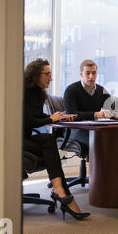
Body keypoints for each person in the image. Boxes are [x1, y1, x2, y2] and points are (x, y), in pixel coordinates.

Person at [24, 58, 90, 221]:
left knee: (49, 140)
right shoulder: (22, 92)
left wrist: (58, 117)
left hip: (26, 139)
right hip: (14, 141)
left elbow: (37, 116)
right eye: (47, 74)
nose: (51, 78)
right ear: (35, 75)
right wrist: (50, 120)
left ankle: (60, 190)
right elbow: (28, 121)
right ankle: (61, 192)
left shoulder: (38, 93)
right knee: (48, 141)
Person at [63, 59, 111, 146]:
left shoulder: (101, 90)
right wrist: (95, 115)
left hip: (93, 128)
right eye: (88, 73)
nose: (91, 76)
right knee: (99, 141)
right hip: (75, 129)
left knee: (114, 138)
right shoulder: (71, 90)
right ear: (81, 74)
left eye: (94, 73)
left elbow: (113, 106)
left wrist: (116, 113)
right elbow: (71, 114)